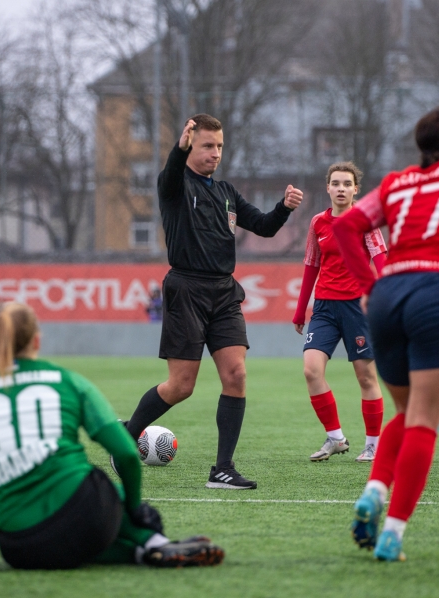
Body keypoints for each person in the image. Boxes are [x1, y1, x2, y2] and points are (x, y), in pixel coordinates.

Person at [0, 302, 224, 570]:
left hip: (19, 547)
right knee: (90, 484)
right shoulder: (66, 381)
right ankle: (151, 543)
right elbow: (125, 452)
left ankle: (139, 553)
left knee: (56, 545)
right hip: (89, 513)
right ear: (37, 340)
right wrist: (134, 506)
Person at [332, 103, 439, 561]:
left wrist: (368, 287)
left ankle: (373, 491)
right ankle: (393, 533)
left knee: (405, 412)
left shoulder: (395, 182)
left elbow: (348, 227)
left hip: (389, 296)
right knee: (426, 418)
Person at [122, 114, 303, 490]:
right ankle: (127, 435)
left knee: (236, 375)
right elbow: (172, 169)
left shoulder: (226, 192)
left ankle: (222, 469)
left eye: (219, 146)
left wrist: (284, 207)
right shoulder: (172, 185)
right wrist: (179, 146)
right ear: (191, 145)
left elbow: (266, 227)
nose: (215, 153)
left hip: (223, 291)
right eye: (207, 146)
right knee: (181, 386)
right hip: (186, 289)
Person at [292, 161, 388, 463]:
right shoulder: (318, 222)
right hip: (323, 308)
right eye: (336, 183)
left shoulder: (365, 221)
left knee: (366, 377)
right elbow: (311, 265)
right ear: (328, 187)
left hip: (357, 307)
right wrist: (300, 310)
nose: (341, 188)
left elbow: (381, 261)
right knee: (311, 370)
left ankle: (373, 444)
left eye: (347, 184)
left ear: (356, 189)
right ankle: (335, 438)